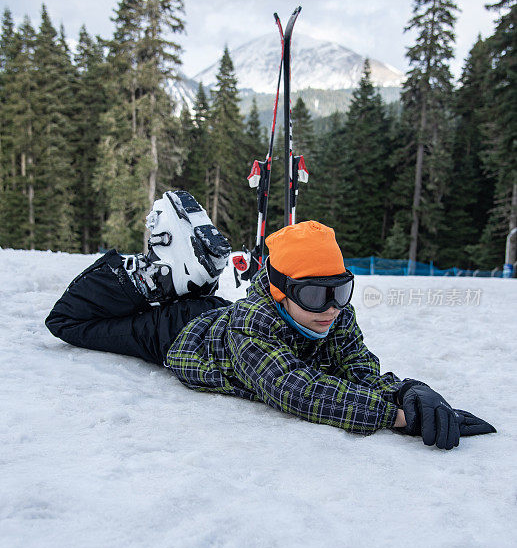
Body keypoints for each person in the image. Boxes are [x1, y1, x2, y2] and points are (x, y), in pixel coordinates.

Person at [46, 190, 496, 450]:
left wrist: (407, 391)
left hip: (219, 315)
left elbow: (357, 369)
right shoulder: (251, 328)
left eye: (340, 289)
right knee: (69, 323)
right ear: (280, 291)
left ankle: (187, 278)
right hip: (179, 335)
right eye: (315, 294)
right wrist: (398, 418)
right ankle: (148, 278)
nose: (332, 307)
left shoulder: (333, 313)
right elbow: (295, 389)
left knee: (211, 307)